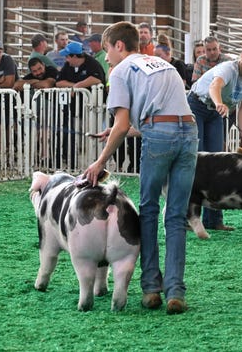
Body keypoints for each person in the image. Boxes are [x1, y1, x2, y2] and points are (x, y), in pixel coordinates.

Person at [83, 21, 198, 315]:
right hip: (188, 135)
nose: (106, 58)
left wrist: (100, 161)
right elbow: (163, 118)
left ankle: (150, 288)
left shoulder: (120, 71)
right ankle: (176, 292)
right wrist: (119, 131)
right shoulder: (163, 64)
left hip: (160, 136)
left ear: (119, 46)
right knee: (175, 215)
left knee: (147, 210)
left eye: (107, 50)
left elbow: (123, 125)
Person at [187, 35, 242, 231]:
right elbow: (215, 86)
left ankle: (213, 221)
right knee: (194, 162)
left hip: (215, 113)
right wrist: (219, 103)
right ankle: (184, 217)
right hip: (197, 106)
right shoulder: (227, 68)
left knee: (216, 164)